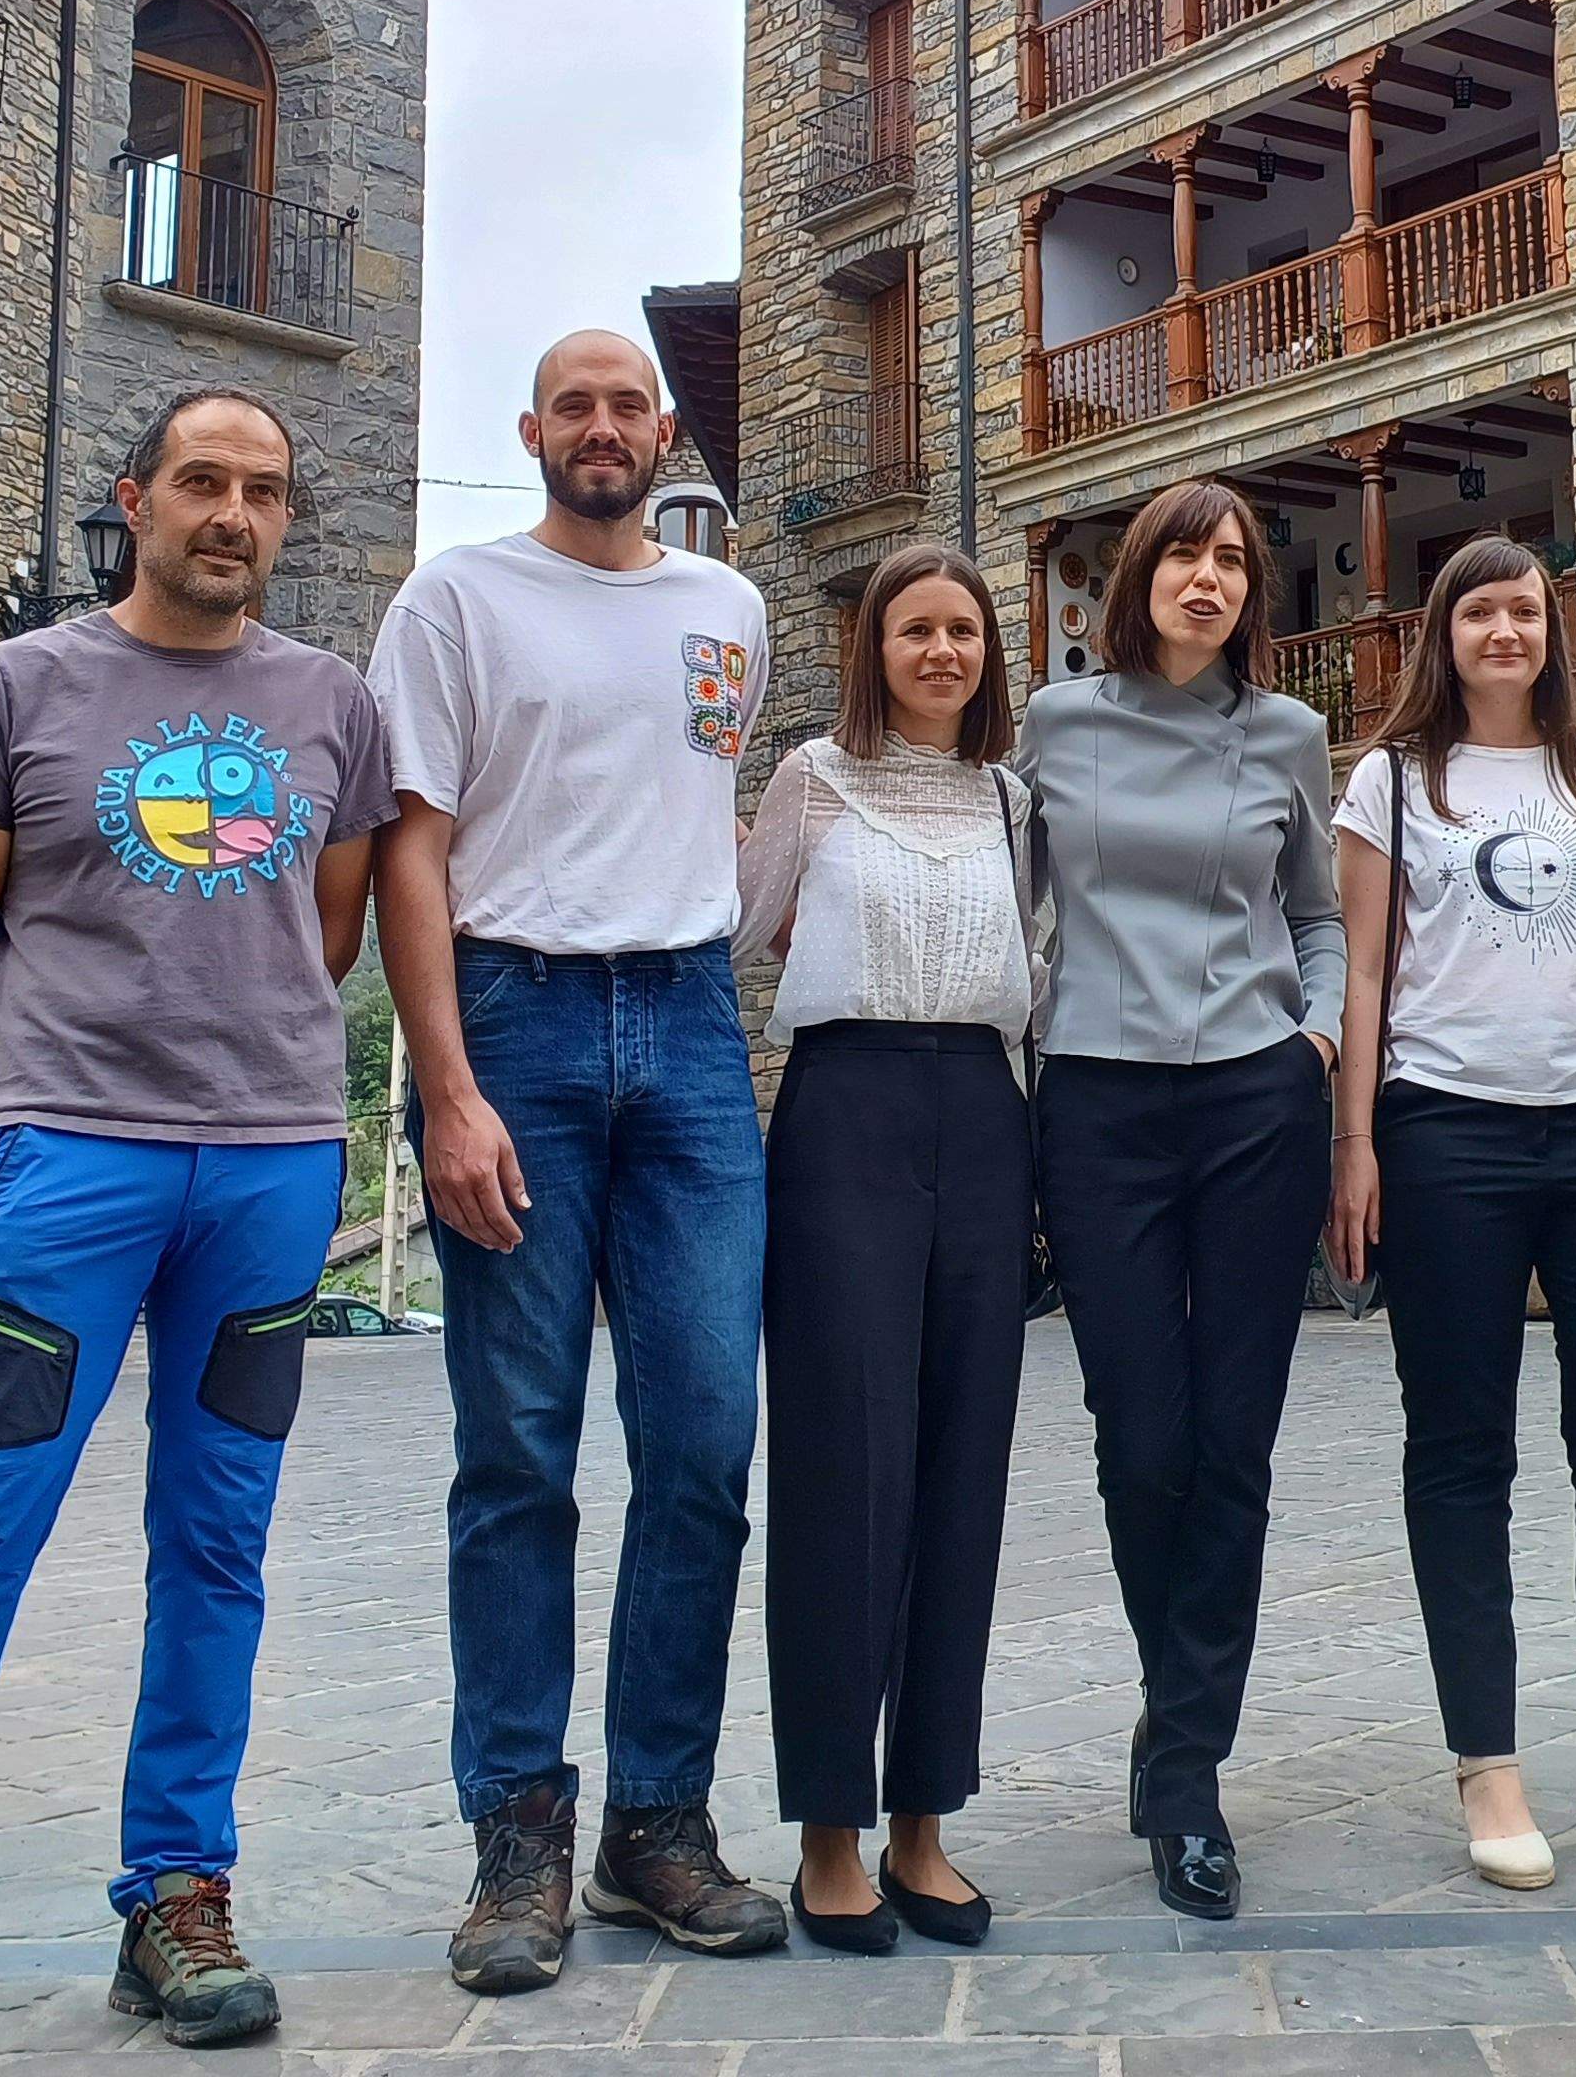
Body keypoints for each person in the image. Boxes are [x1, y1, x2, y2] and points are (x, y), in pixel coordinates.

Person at [0, 388, 388, 2075]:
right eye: (202, 482)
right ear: (137, 500)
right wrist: (24, 1112)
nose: (230, 514)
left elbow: (321, 939)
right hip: (71, 1176)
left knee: (219, 1549)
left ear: (284, 521)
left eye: (262, 490)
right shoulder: (14, 688)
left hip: (267, 1175)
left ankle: (178, 1896)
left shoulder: (332, 706)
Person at [370, 329, 785, 1997]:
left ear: (663, 433)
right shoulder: (454, 601)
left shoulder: (729, 613)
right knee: (520, 1457)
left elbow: (694, 816)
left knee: (701, 1446)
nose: (604, 428)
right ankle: (518, 1837)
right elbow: (416, 851)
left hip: (687, 1033)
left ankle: (657, 1828)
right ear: (530, 427)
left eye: (631, 406)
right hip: (516, 1026)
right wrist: (448, 1091)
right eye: (576, 406)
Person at [1326, 541, 1576, 1892]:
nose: (1503, 628)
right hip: (1447, 1135)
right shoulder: (1392, 782)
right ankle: (1488, 1765)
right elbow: (1362, 971)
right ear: (1443, 633)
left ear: (1552, 629)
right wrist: (1354, 1143)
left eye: (1524, 608)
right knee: (1462, 1450)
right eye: (1477, 608)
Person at [1016, 477, 1344, 1922]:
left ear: (1247, 595)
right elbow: (1004, 890)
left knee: (1238, 1444)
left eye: (1231, 563)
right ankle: (1179, 1703)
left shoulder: (1289, 737)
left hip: (1254, 1104)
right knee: (1143, 1438)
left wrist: (1318, 1035)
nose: (1205, 580)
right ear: (1133, 576)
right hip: (1094, 1099)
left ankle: (1187, 1766)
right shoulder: (1050, 724)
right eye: (1183, 557)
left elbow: (1321, 911)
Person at [735, 541, 1039, 1954]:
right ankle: (830, 1833)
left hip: (985, 1112)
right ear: (876, 650)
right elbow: (742, 931)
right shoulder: (814, 779)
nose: (941, 653)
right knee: (845, 1466)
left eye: (963, 632)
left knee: (963, 1465)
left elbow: (1035, 966)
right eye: (915, 630)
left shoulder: (1013, 801)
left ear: (989, 654)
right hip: (844, 1108)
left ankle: (926, 1821)